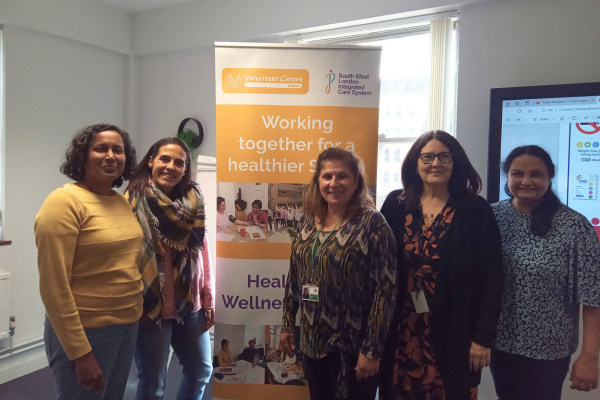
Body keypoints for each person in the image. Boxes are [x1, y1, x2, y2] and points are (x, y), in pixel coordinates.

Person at [379, 130, 504, 400]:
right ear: (415, 163)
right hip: (401, 327)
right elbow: (378, 267)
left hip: (456, 331)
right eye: (428, 157)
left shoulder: (475, 209)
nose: (436, 163)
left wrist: (483, 338)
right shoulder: (394, 204)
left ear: (455, 162)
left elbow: (492, 278)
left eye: (444, 157)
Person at [35, 124, 142, 400]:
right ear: (82, 157)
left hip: (127, 325)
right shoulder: (63, 203)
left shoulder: (120, 202)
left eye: (118, 150)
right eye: (100, 148)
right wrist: (80, 352)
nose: (110, 156)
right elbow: (53, 287)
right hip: (87, 331)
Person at [281, 147, 397, 400]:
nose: (334, 183)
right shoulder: (307, 220)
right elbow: (295, 275)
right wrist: (289, 323)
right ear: (318, 181)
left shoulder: (373, 224)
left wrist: (373, 350)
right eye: (327, 176)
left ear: (356, 181)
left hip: (355, 347)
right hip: (313, 342)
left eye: (342, 176)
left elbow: (385, 291)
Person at [490, 145, 600, 400]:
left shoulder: (574, 225)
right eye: (518, 173)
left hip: (549, 350)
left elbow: (593, 298)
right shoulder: (492, 216)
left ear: (549, 178)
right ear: (507, 176)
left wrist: (589, 357)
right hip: (500, 343)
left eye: (536, 174)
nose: (526, 181)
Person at [126, 137, 214, 400]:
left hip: (189, 305)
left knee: (201, 372)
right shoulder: (131, 202)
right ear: (151, 161)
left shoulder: (194, 202)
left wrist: (208, 297)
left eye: (179, 162)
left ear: (186, 168)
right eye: (165, 159)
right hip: (149, 307)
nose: (171, 166)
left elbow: (203, 253)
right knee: (154, 385)